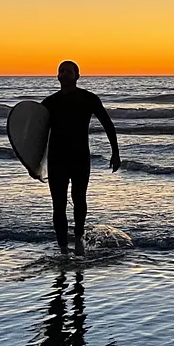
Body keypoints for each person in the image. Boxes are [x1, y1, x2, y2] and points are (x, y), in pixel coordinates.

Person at [42, 60, 120, 257]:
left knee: (80, 200)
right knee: (58, 204)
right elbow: (36, 136)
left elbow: (108, 124)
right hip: (56, 159)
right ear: (57, 76)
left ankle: (78, 240)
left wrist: (115, 152)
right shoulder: (49, 103)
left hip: (80, 157)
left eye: (69, 71)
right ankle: (62, 248)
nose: (65, 74)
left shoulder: (89, 99)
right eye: (62, 71)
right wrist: (33, 165)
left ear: (78, 75)